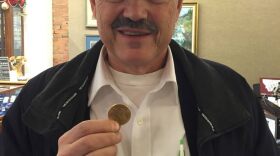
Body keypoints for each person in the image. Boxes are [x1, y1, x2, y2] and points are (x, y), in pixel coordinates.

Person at [2, 0, 279, 155]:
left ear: (178, 5)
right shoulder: (34, 102)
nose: (135, 12)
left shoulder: (234, 95)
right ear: (95, 4)